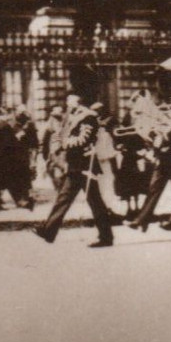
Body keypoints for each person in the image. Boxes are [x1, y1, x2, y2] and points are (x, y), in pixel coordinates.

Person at [34, 101, 116, 247]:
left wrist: (63, 143)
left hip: (85, 166)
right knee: (64, 199)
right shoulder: (72, 117)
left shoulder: (88, 117)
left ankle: (106, 237)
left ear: (80, 101)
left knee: (95, 203)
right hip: (75, 166)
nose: (68, 103)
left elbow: (82, 140)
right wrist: (57, 141)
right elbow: (61, 135)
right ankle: (49, 230)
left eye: (71, 99)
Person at [0, 106, 35, 213]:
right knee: (6, 181)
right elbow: (12, 145)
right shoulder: (5, 127)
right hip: (3, 159)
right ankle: (21, 202)